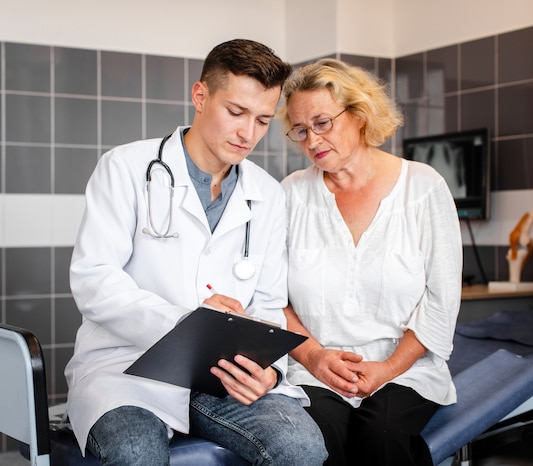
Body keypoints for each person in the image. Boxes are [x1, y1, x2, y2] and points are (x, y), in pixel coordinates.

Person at [65, 39, 328, 466]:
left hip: (223, 375)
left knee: (301, 447)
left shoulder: (266, 194)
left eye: (263, 120)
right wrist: (189, 324)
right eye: (236, 112)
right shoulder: (126, 168)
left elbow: (269, 305)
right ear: (200, 96)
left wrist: (268, 371)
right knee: (136, 454)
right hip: (128, 369)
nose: (248, 134)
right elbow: (95, 281)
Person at [276, 58, 463, 466]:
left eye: (322, 123)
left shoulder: (423, 187)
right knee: (315, 440)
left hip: (404, 371)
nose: (311, 141)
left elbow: (441, 298)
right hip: (317, 369)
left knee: (380, 436)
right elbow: (273, 297)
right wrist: (314, 357)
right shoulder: (291, 195)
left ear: (359, 116)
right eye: (300, 130)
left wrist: (388, 368)